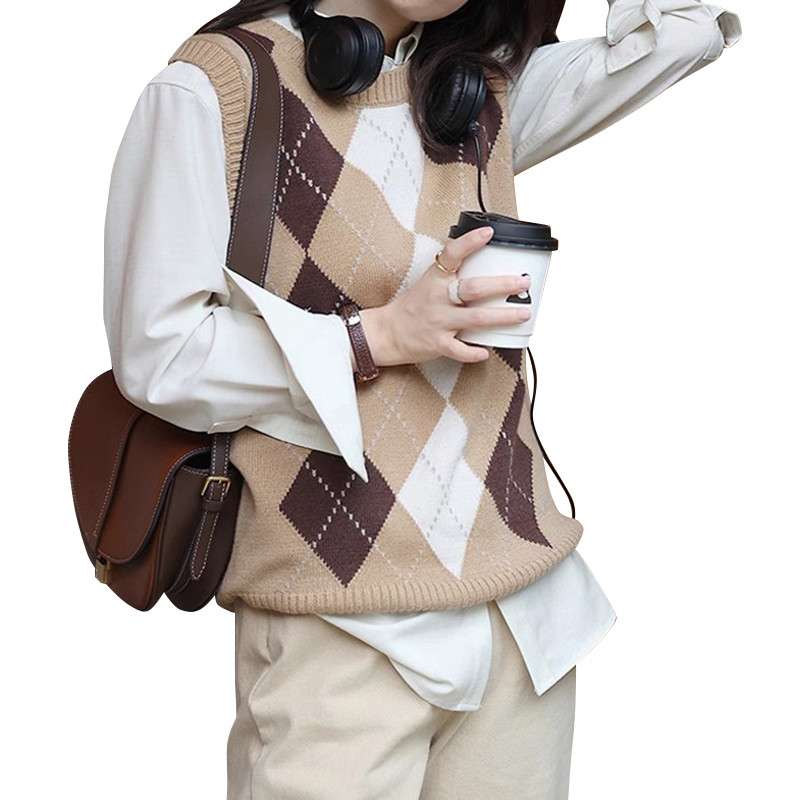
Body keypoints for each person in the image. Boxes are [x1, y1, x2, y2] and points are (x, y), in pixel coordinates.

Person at [102, 0, 741, 796]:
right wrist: (376, 336)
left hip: (523, 619)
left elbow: (682, 32)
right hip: (337, 624)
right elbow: (159, 353)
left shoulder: (478, 85)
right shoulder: (219, 89)